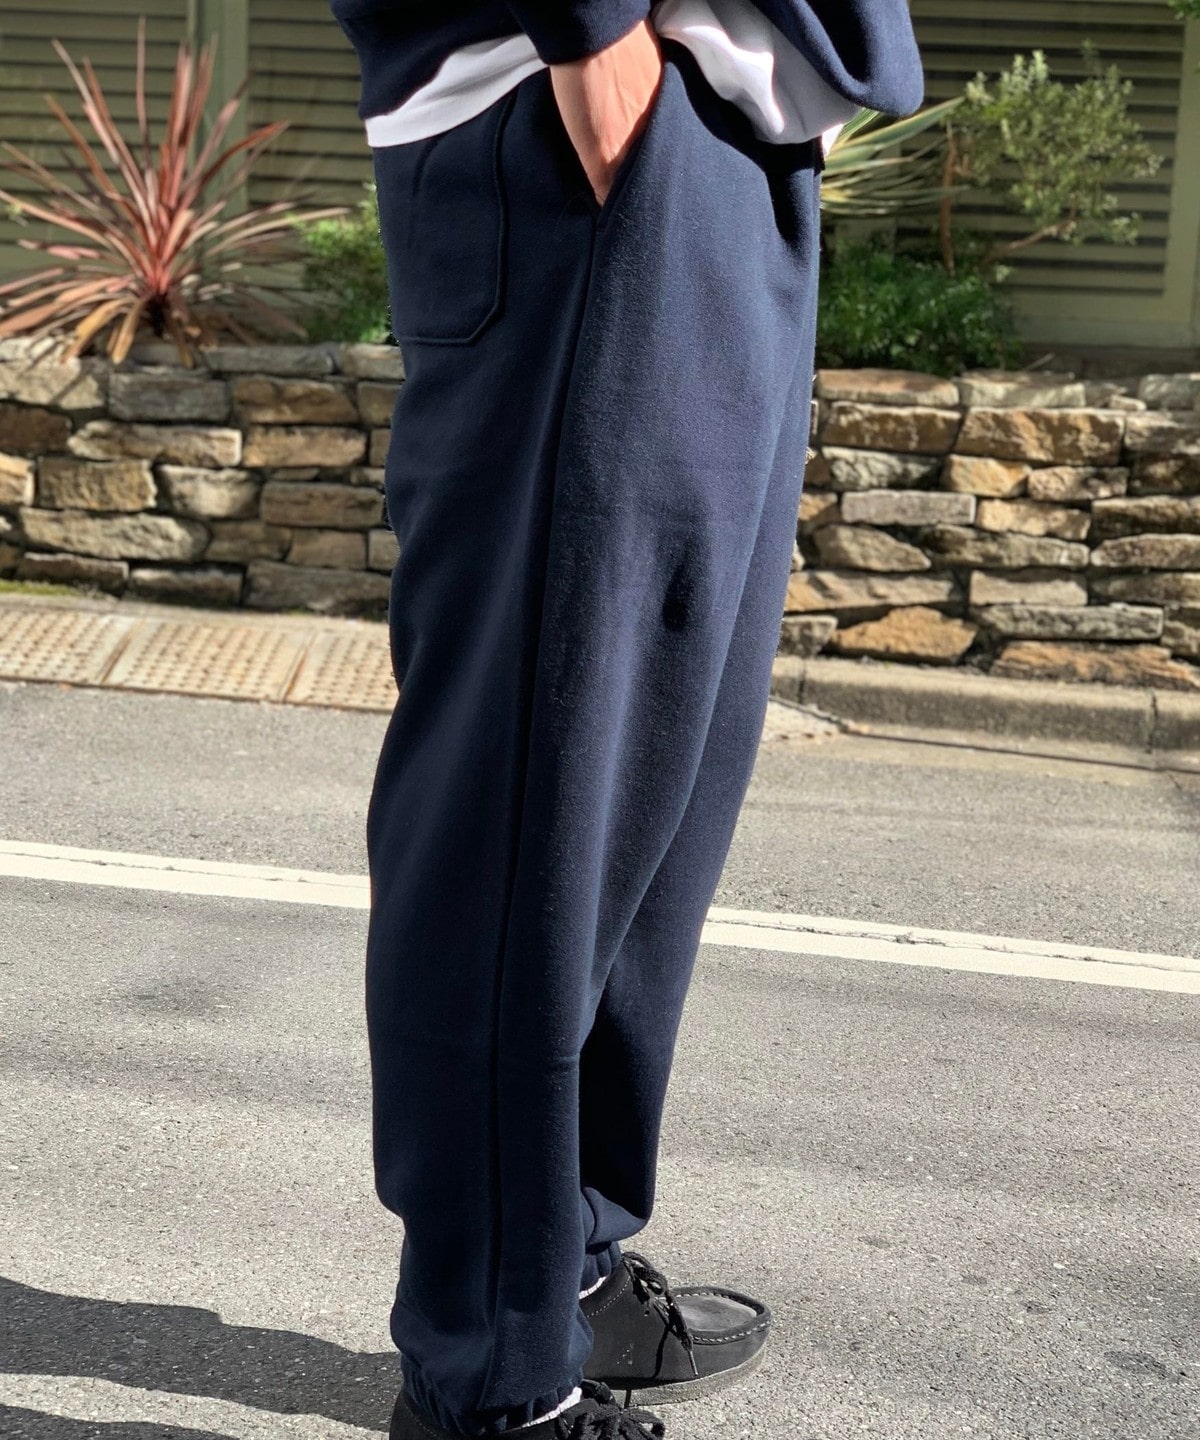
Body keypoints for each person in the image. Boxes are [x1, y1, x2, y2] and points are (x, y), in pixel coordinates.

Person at [329, 3, 923, 1437]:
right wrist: (595, 44)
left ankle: (561, 1266)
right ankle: (490, 1380)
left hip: (720, 147)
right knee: (531, 809)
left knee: (654, 787)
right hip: (574, 118)